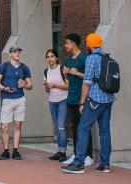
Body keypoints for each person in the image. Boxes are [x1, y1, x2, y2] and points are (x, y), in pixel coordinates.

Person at [62, 33, 115, 174]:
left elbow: (87, 82)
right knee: (105, 131)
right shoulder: (107, 57)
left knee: (82, 129)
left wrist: (82, 103)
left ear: (89, 44)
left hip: (95, 100)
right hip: (108, 100)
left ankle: (79, 163)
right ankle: (105, 164)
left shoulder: (92, 58)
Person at [0, 45, 32, 160]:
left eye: (19, 52)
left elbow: (30, 85)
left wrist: (24, 84)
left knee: (18, 125)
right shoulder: (3, 66)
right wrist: (5, 88)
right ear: (10, 54)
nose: (17, 54)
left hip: (20, 99)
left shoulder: (25, 68)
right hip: (7, 99)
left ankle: (15, 151)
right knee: (4, 127)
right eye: (15, 52)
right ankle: (6, 151)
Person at [62, 33, 94, 166]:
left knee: (84, 128)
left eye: (67, 43)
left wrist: (78, 73)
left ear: (73, 43)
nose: (65, 45)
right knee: (74, 128)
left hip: (83, 99)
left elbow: (91, 77)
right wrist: (66, 75)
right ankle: (76, 153)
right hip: (71, 98)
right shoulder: (68, 59)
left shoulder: (85, 58)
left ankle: (88, 156)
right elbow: (67, 82)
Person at [44, 49, 69, 162]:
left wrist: (54, 85)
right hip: (52, 102)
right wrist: (47, 87)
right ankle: (59, 151)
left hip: (63, 100)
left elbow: (68, 86)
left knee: (61, 126)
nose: (50, 59)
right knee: (57, 129)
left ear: (57, 58)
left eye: (52, 56)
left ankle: (63, 151)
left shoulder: (61, 69)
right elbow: (47, 91)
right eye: (48, 57)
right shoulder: (46, 71)